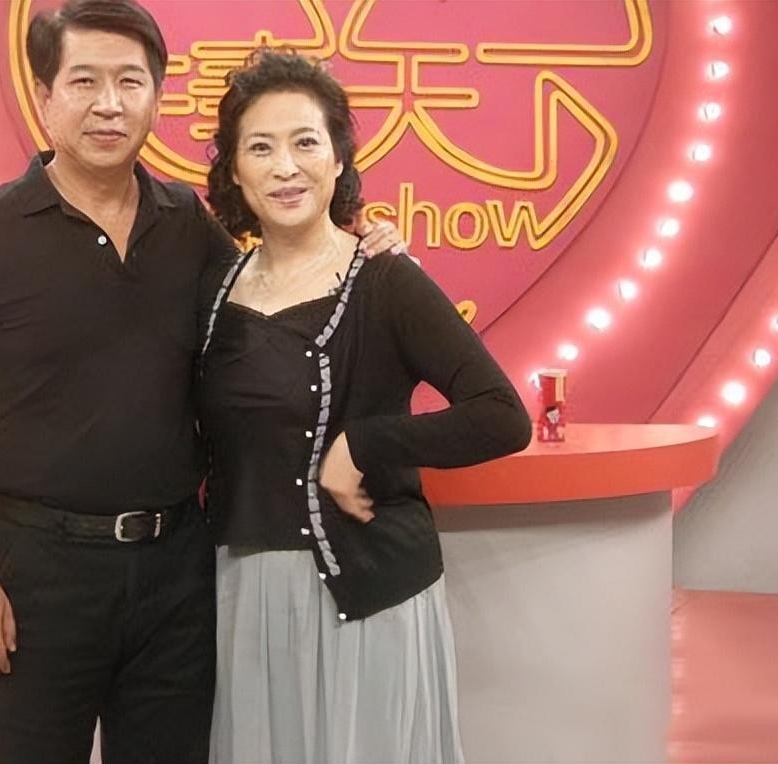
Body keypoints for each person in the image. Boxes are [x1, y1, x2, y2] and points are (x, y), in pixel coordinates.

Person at [0, 2, 400, 762]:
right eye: (84, 82)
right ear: (44, 97)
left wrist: (364, 244)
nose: (109, 104)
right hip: (36, 569)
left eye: (129, 82)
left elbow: (278, 292)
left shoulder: (187, 221)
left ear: (156, 96)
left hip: (176, 570)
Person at [196, 50, 532, 763]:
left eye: (305, 142)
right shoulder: (213, 290)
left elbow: (501, 414)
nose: (286, 167)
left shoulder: (386, 279)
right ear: (233, 172)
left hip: (366, 598)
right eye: (261, 148)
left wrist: (367, 444)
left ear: (339, 159)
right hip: (241, 593)